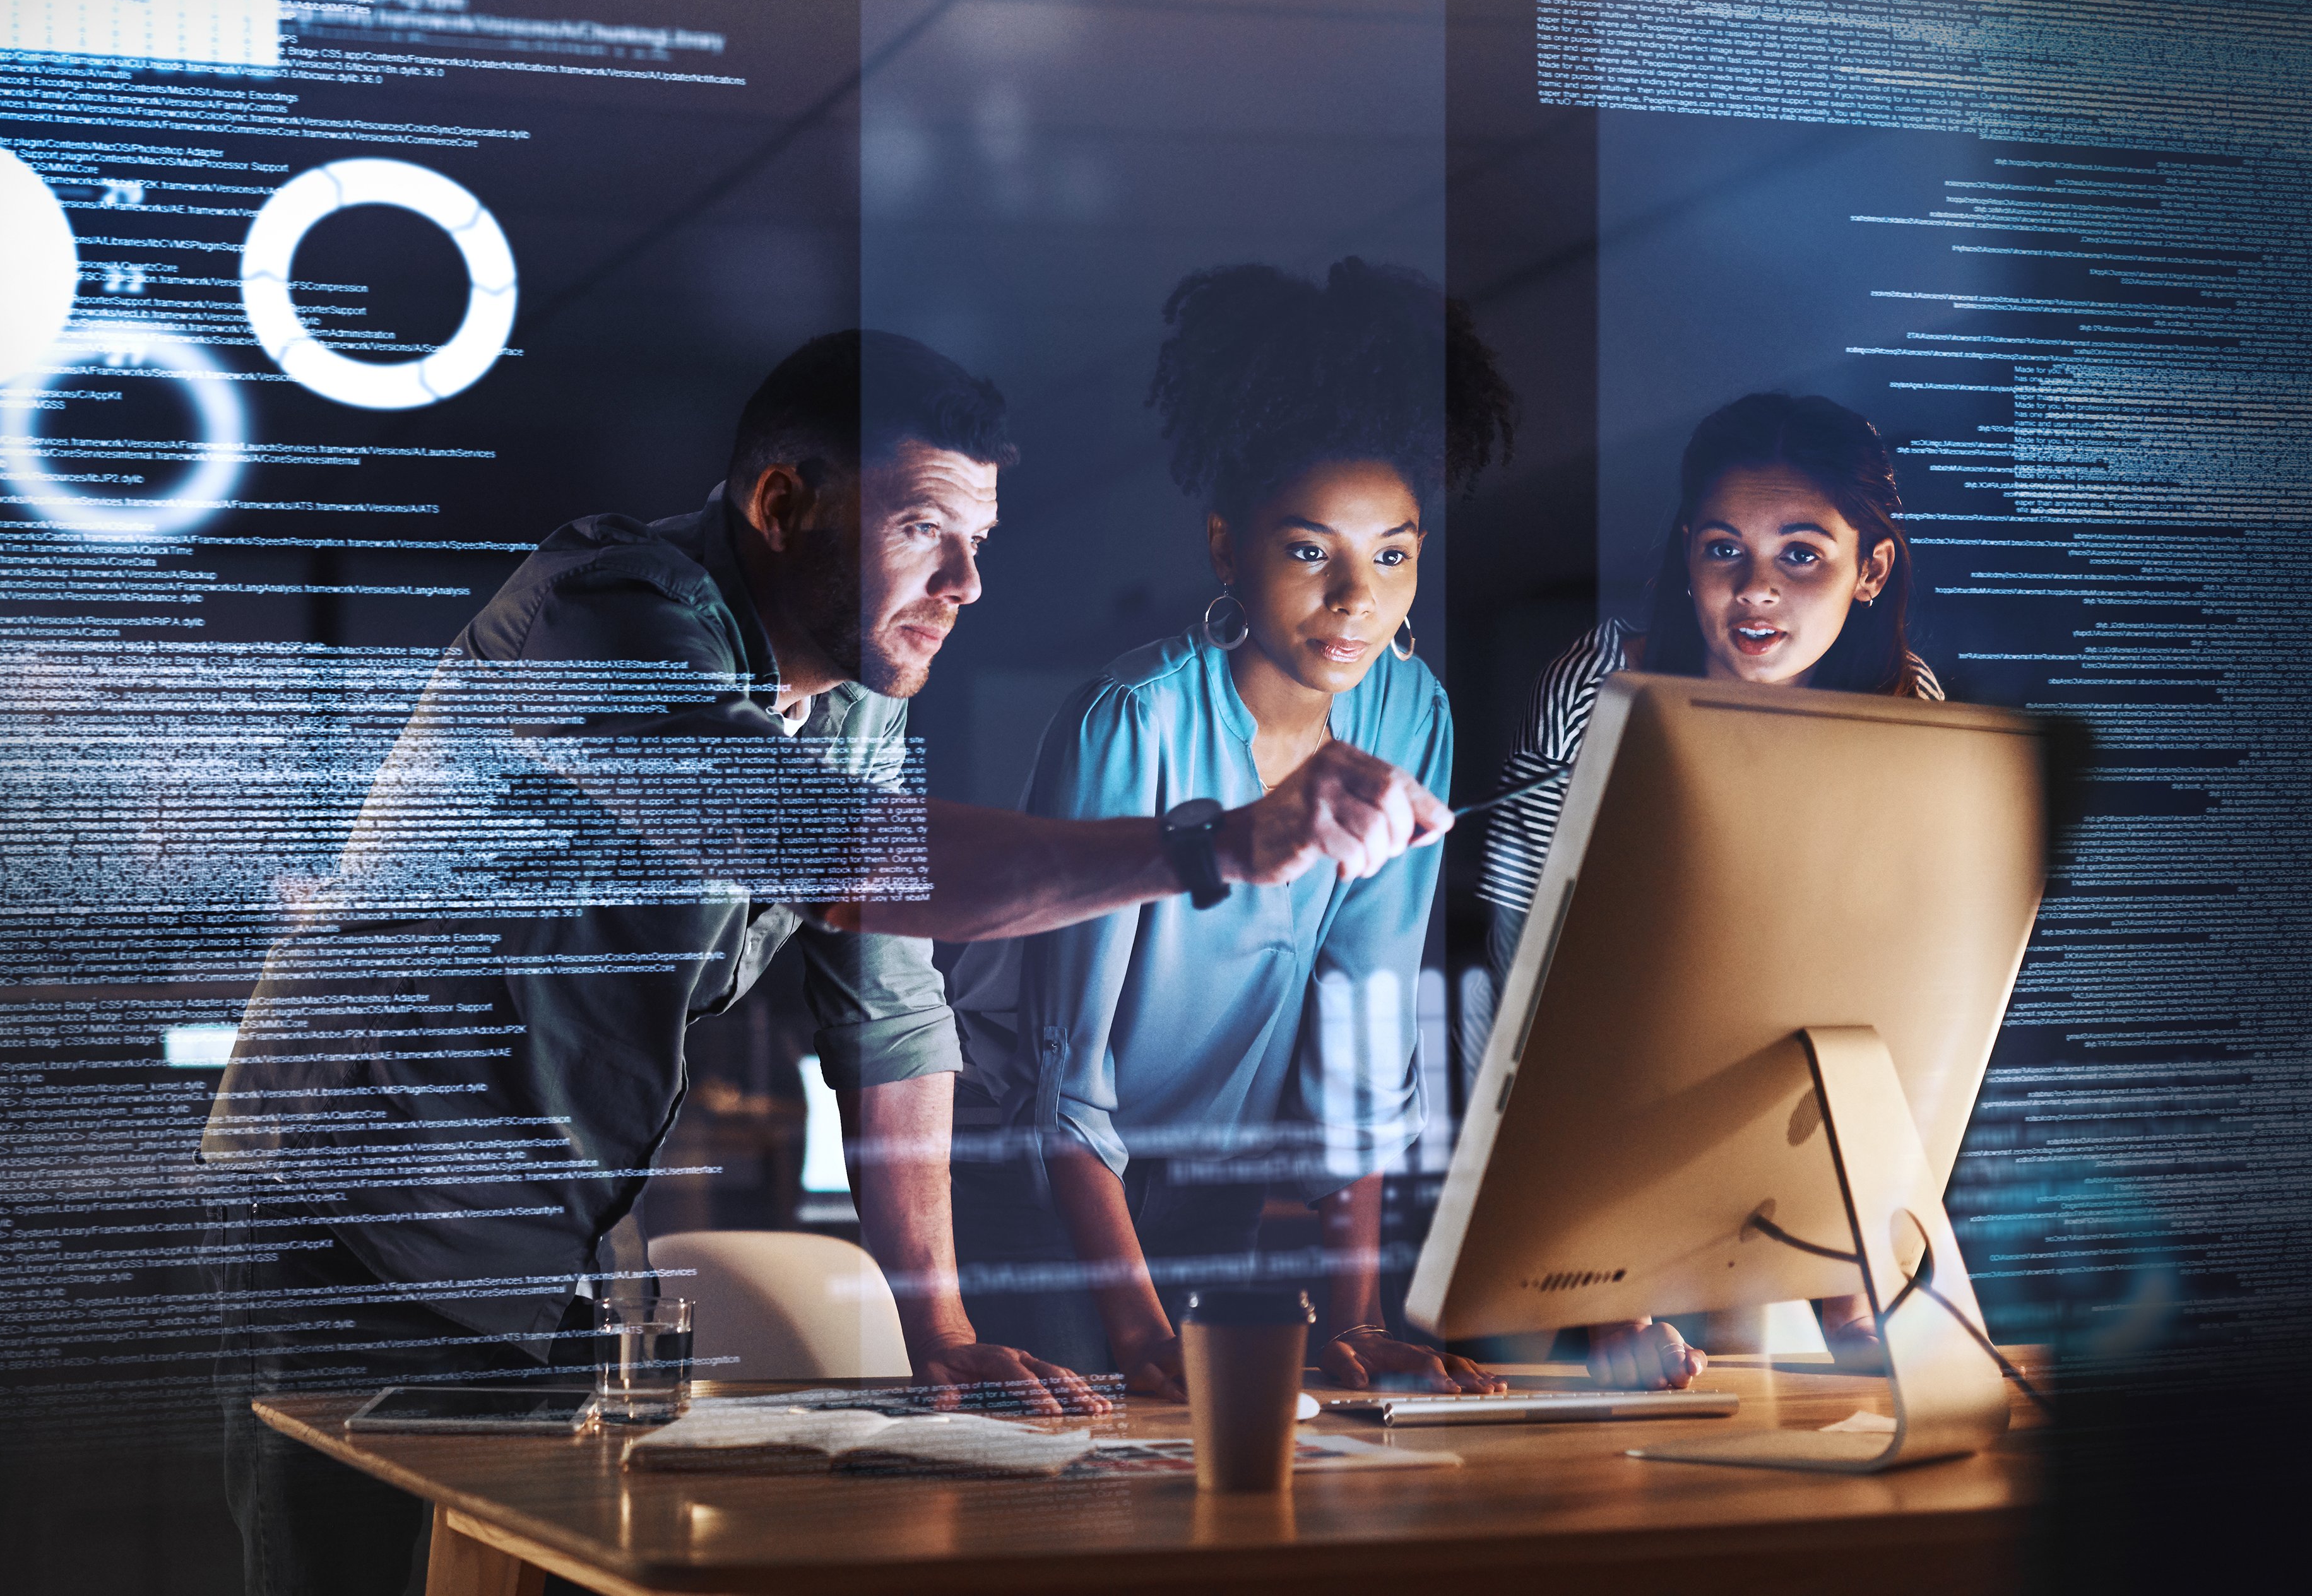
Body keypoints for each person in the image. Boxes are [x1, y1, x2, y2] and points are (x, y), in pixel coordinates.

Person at [208, 330, 1454, 1596]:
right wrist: (1215, 843)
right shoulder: (601, 614)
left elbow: (893, 1015)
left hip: (545, 1249)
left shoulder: (862, 700)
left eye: (982, 543)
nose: (967, 582)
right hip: (350, 1222)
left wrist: (944, 1334)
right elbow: (847, 859)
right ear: (782, 504)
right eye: (924, 530)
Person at [947, 260, 1507, 1398]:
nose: (1356, 596)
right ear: (1224, 549)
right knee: (1079, 1480)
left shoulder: (1413, 712)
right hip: (1037, 1174)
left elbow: (1367, 1032)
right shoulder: (1134, 719)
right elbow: (1065, 1078)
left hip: (1211, 1169)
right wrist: (1145, 1333)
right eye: (1310, 550)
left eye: (1392, 555)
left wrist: (1355, 1320)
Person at [1477, 391, 1941, 1384]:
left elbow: (1902, 1003)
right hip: (1586, 1156)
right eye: (1724, 549)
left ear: (1872, 569)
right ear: (1687, 553)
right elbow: (1520, 996)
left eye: (1801, 553)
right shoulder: (1598, 689)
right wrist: (1597, 1290)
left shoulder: (1911, 712)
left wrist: (1862, 1262)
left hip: (1802, 1149)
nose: (1755, 589)